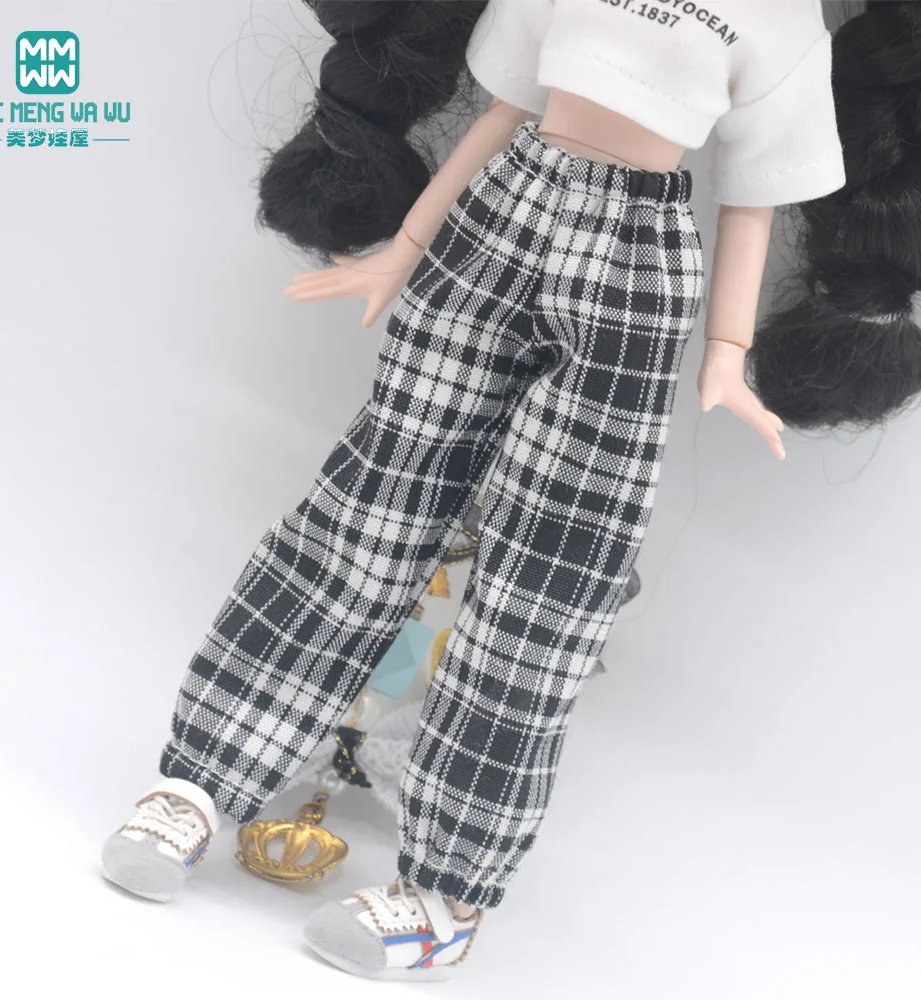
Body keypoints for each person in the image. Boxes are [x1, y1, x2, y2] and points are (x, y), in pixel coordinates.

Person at [99, 0, 921, 981]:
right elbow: (501, 112)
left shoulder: (780, 27)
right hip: (499, 212)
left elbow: (751, 200)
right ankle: (199, 782)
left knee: (548, 584)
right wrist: (404, 248)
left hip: (636, 261)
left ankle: (446, 895)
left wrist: (726, 352)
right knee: (370, 503)